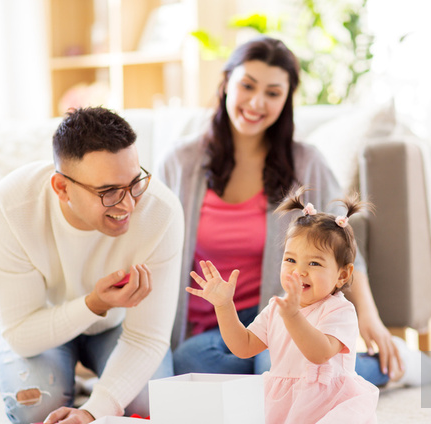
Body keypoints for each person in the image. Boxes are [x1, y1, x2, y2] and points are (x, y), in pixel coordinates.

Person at [158, 35, 404, 386]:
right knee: (189, 363)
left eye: (273, 93)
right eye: (247, 86)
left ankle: (382, 365)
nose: (257, 102)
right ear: (227, 83)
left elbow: (343, 240)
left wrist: (370, 317)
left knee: (280, 369)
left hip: (284, 311)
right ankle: (282, 371)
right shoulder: (181, 162)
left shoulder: (306, 162)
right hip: (212, 323)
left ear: (286, 99)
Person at [0, 107, 184, 424]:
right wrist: (93, 303)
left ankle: (89, 387)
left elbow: (148, 337)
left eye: (134, 183)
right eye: (108, 192)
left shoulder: (161, 212)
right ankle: (65, 379)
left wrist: (93, 411)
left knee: (149, 407)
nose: (128, 205)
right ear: (62, 188)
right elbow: (20, 333)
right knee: (34, 410)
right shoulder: (9, 206)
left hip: (118, 328)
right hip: (38, 323)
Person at [186, 189, 380, 424]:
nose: (299, 271)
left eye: (314, 263)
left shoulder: (340, 311)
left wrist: (293, 317)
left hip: (325, 406)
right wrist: (224, 306)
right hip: (279, 400)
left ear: (342, 274)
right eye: (291, 260)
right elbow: (243, 347)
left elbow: (319, 352)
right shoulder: (278, 307)